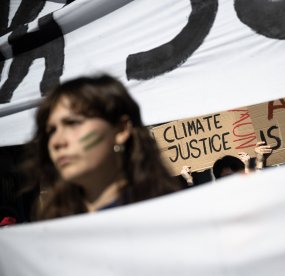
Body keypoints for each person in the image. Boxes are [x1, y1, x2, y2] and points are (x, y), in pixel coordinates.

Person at [24, 75, 180, 220]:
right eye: (51, 131)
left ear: (121, 130)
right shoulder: (50, 228)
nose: (56, 142)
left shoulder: (167, 217)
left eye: (73, 123)